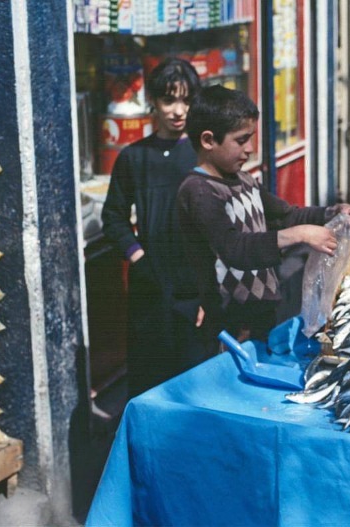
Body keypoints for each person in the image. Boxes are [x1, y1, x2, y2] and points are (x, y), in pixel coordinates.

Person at [177, 86, 350, 344]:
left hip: (261, 312)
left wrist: (332, 212)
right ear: (208, 141)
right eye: (241, 140)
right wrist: (299, 235)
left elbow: (286, 216)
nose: (250, 148)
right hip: (229, 322)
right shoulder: (198, 191)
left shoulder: (244, 180)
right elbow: (233, 248)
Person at [101, 57, 210, 398]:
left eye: (187, 100)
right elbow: (113, 217)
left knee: (195, 387)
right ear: (153, 101)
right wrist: (137, 256)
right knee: (150, 386)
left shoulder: (204, 155)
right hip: (149, 289)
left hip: (195, 288)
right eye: (169, 100)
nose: (178, 110)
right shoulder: (134, 157)